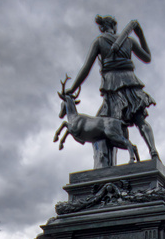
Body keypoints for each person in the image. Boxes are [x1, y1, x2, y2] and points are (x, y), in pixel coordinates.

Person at [66, 15, 158, 166]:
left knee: (101, 127)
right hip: (130, 83)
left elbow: (86, 68)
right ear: (114, 27)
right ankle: (153, 152)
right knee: (140, 120)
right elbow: (147, 57)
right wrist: (140, 34)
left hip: (112, 87)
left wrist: (73, 88)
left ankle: (104, 166)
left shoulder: (99, 41)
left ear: (102, 28)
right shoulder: (129, 41)